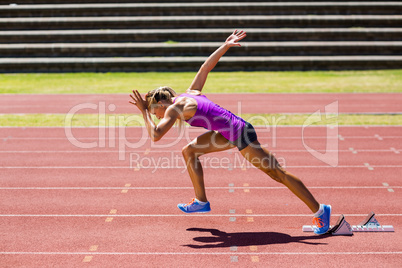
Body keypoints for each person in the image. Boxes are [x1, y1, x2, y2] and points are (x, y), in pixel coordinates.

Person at [129, 30, 331, 235]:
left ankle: (321, 211)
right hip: (228, 133)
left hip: (240, 133)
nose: (156, 116)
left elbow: (155, 135)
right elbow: (205, 68)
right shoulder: (189, 93)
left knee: (277, 173)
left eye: (155, 112)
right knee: (189, 151)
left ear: (160, 104)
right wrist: (225, 46)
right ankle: (201, 201)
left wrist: (143, 111)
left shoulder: (174, 108)